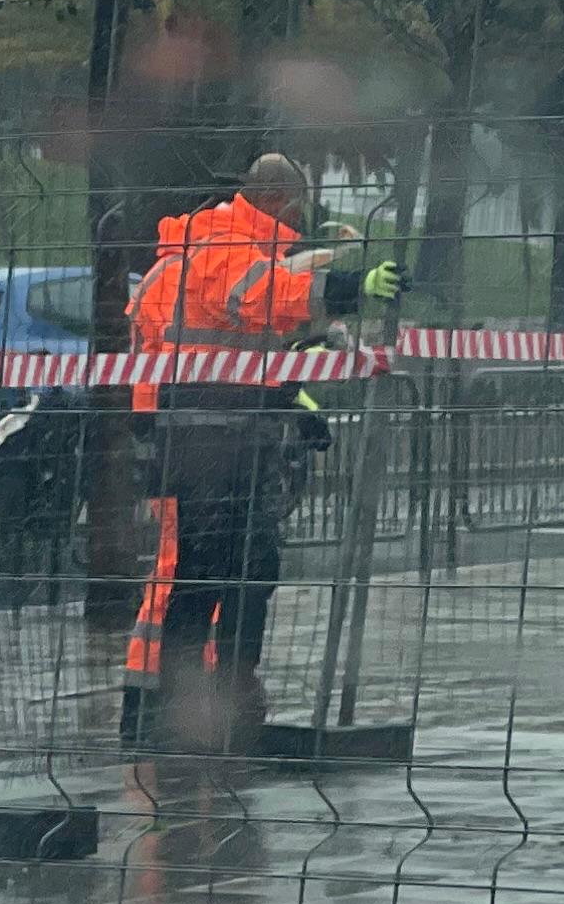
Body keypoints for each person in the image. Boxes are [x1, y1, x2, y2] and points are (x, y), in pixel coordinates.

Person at [127, 154, 398, 751]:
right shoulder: (225, 246)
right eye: (298, 205)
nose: (301, 218)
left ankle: (208, 699)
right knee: (215, 571)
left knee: (232, 569)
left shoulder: (219, 246)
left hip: (216, 431)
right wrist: (350, 287)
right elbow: (261, 298)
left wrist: (291, 402)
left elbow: (248, 344)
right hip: (209, 439)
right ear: (278, 199)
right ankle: (197, 702)